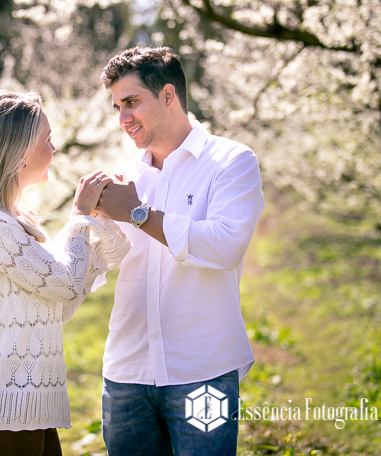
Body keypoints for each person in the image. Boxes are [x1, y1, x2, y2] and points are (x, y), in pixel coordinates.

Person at [93, 47, 265, 456]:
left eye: (132, 102)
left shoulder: (232, 162)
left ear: (169, 96)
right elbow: (95, 264)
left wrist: (138, 214)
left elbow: (224, 247)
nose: (122, 118)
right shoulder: (124, 175)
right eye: (117, 106)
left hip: (203, 369)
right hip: (127, 371)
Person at [0, 90, 131, 456]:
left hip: (25, 411)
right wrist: (79, 217)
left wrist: (93, 222)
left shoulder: (12, 220)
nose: (54, 148)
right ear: (18, 151)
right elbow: (63, 283)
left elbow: (56, 304)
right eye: (46, 139)